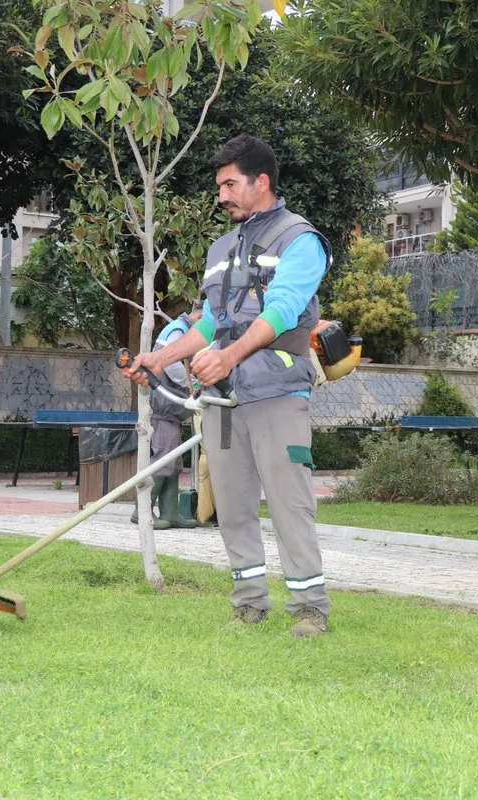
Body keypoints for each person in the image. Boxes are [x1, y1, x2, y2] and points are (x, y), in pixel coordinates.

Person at [122, 134, 331, 637]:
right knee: (232, 503)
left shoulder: (300, 240)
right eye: (220, 187)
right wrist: (160, 356)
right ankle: (248, 602)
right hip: (221, 398)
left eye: (230, 185)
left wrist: (228, 357)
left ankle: (308, 609)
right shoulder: (223, 248)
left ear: (262, 182)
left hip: (277, 393)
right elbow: (211, 322)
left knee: (289, 502)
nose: (222, 196)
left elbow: (280, 312)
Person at [131, 301, 203, 530]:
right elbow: (170, 366)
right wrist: (194, 384)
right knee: (162, 459)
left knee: (173, 460)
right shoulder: (177, 331)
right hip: (163, 409)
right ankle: (141, 511)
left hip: (171, 411)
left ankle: (170, 511)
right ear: (200, 316)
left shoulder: (181, 330)